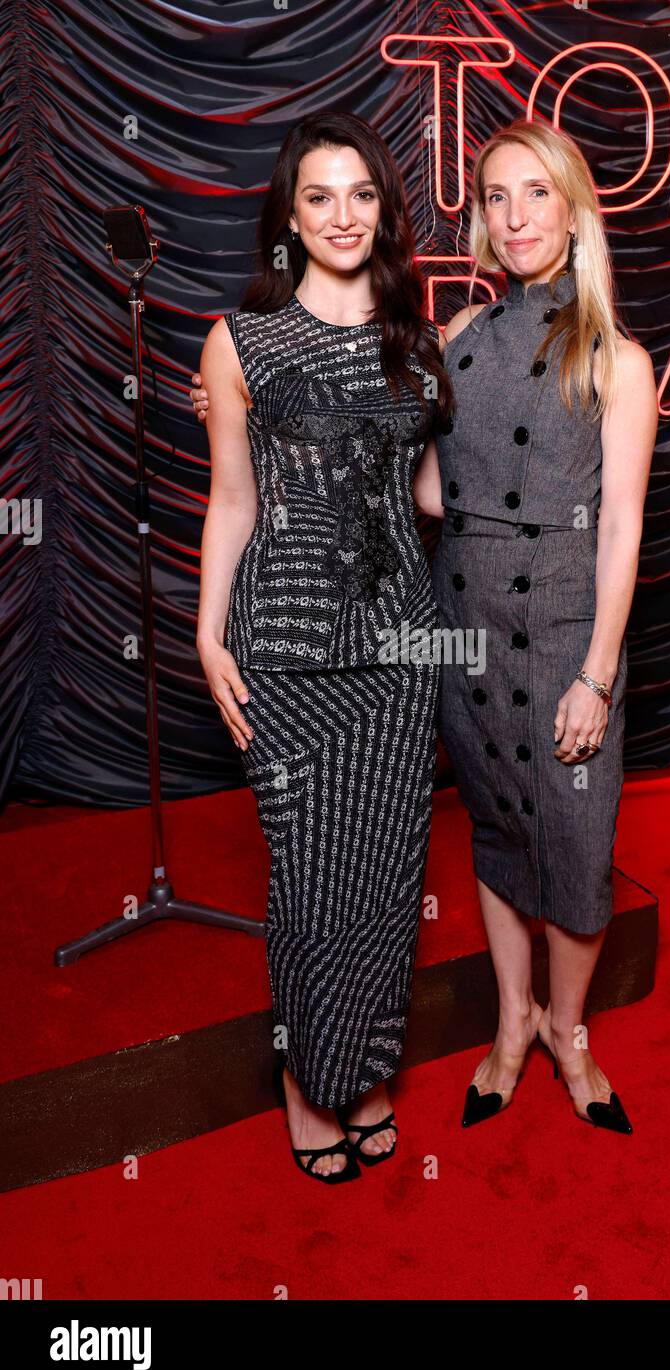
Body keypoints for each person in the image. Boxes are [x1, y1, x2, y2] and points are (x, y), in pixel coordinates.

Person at [194, 110, 451, 1182]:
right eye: (319, 197)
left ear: (385, 210)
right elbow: (231, 501)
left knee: (389, 873)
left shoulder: (417, 340)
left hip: (401, 650)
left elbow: (432, 496)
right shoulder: (240, 342)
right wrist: (209, 635)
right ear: (289, 218)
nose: (344, 215)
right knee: (307, 880)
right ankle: (308, 1081)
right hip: (286, 654)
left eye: (362, 194)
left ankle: (371, 1066)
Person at [413, 118, 657, 1134]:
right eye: (495, 198)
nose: (515, 218)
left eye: (535, 195)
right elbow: (431, 492)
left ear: (574, 208)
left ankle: (569, 1031)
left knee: (577, 850)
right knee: (498, 836)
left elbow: (623, 526)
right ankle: (511, 1024)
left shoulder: (616, 356)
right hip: (465, 622)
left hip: (562, 634)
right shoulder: (461, 338)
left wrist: (596, 673)